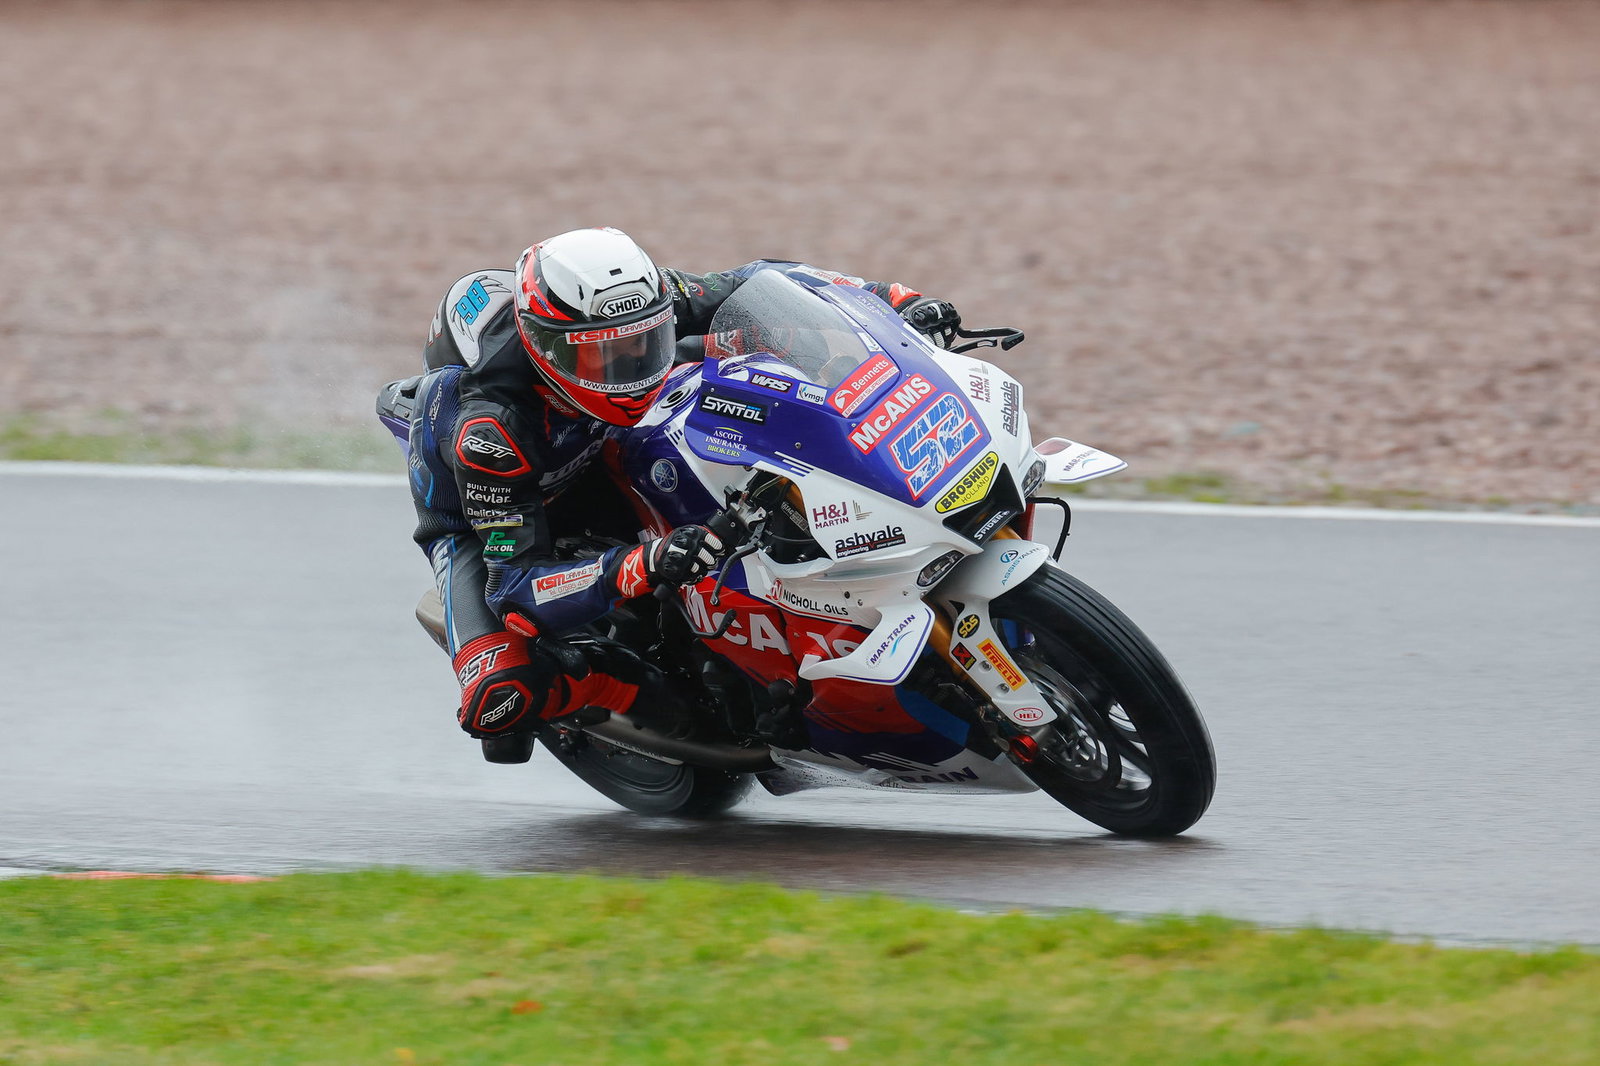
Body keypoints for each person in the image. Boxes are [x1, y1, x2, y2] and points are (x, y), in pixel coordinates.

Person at [378, 227, 962, 763]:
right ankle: (611, 694)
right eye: (601, 356)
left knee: (756, 353)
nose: (629, 367)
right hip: (494, 518)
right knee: (502, 694)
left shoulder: (644, 301)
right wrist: (643, 563)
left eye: (644, 343)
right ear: (545, 350)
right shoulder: (491, 432)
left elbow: (769, 281)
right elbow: (515, 586)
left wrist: (897, 303)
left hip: (599, 440)